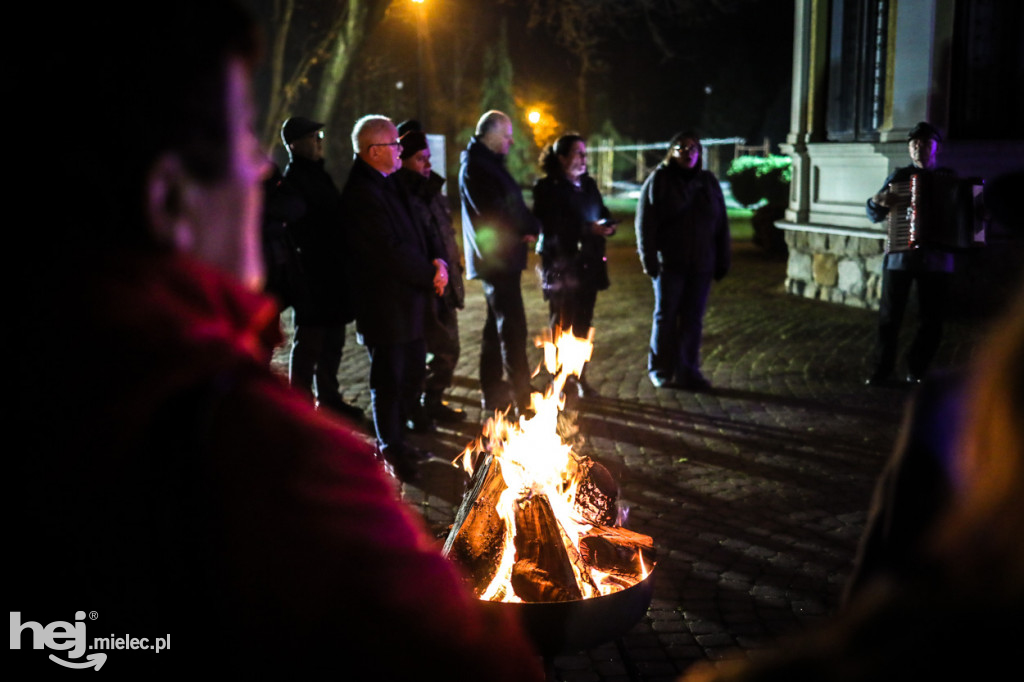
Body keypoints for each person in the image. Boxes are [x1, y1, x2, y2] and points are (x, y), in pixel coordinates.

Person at [12, 3, 544, 678]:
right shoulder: (261, 456)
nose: (262, 171)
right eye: (241, 138)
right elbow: (479, 661)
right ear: (172, 200)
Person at [340, 115, 450, 482]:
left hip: (408, 301)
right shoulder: (362, 193)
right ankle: (390, 447)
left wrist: (436, 261)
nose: (401, 150)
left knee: (410, 374)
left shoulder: (389, 182)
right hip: (385, 306)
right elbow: (387, 250)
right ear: (373, 151)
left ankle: (400, 439)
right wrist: (428, 272)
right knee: (388, 380)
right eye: (394, 145)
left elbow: (418, 229)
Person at [280, 116, 363, 420]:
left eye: (320, 135)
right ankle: (297, 408)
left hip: (333, 274)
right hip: (313, 278)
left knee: (333, 342)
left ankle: (329, 397)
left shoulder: (318, 175)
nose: (319, 141)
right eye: (313, 136)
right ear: (293, 144)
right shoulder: (294, 180)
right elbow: (303, 229)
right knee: (309, 344)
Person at [459, 110, 541, 417]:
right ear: (491, 135)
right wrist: (526, 227)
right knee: (512, 326)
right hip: (497, 258)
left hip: (501, 256)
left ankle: (493, 389)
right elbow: (496, 211)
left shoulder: (486, 164)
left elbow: (508, 205)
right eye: (506, 136)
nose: (511, 141)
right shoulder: (477, 166)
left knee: (497, 327)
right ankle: (521, 395)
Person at [635, 131, 731, 391]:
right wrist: (649, 260)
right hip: (670, 264)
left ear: (699, 152)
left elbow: (721, 222)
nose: (688, 152)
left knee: (692, 319)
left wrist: (723, 258)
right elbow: (646, 223)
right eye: (681, 147)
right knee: (666, 316)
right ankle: (661, 369)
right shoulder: (660, 180)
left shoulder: (708, 182)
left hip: (701, 264)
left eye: (692, 148)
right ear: (672, 152)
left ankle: (688, 370)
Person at [864, 121, 956, 386]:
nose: (920, 148)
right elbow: (874, 213)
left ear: (936, 147)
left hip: (937, 260)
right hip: (900, 257)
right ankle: (882, 369)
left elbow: (969, 213)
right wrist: (874, 202)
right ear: (909, 148)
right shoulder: (898, 177)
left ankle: (916, 368)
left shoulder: (950, 178)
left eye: (926, 143)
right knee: (889, 318)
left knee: (932, 321)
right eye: (915, 144)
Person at [533, 133, 615, 398]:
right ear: (562, 157)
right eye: (578, 153)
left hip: (588, 265)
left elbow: (602, 211)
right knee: (562, 322)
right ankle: (559, 379)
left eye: (584, 153)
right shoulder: (547, 188)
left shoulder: (588, 185)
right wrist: (585, 228)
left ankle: (578, 375)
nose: (583, 159)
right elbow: (551, 225)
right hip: (561, 266)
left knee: (582, 322)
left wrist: (607, 225)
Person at [394, 127, 467, 423]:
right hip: (425, 286)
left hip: (445, 282)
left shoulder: (432, 190)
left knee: (449, 348)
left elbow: (443, 233)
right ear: (405, 159)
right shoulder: (402, 195)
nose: (428, 164)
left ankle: (433, 399)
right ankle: (414, 407)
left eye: (428, 157)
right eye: (420, 158)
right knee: (424, 351)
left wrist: (453, 269)